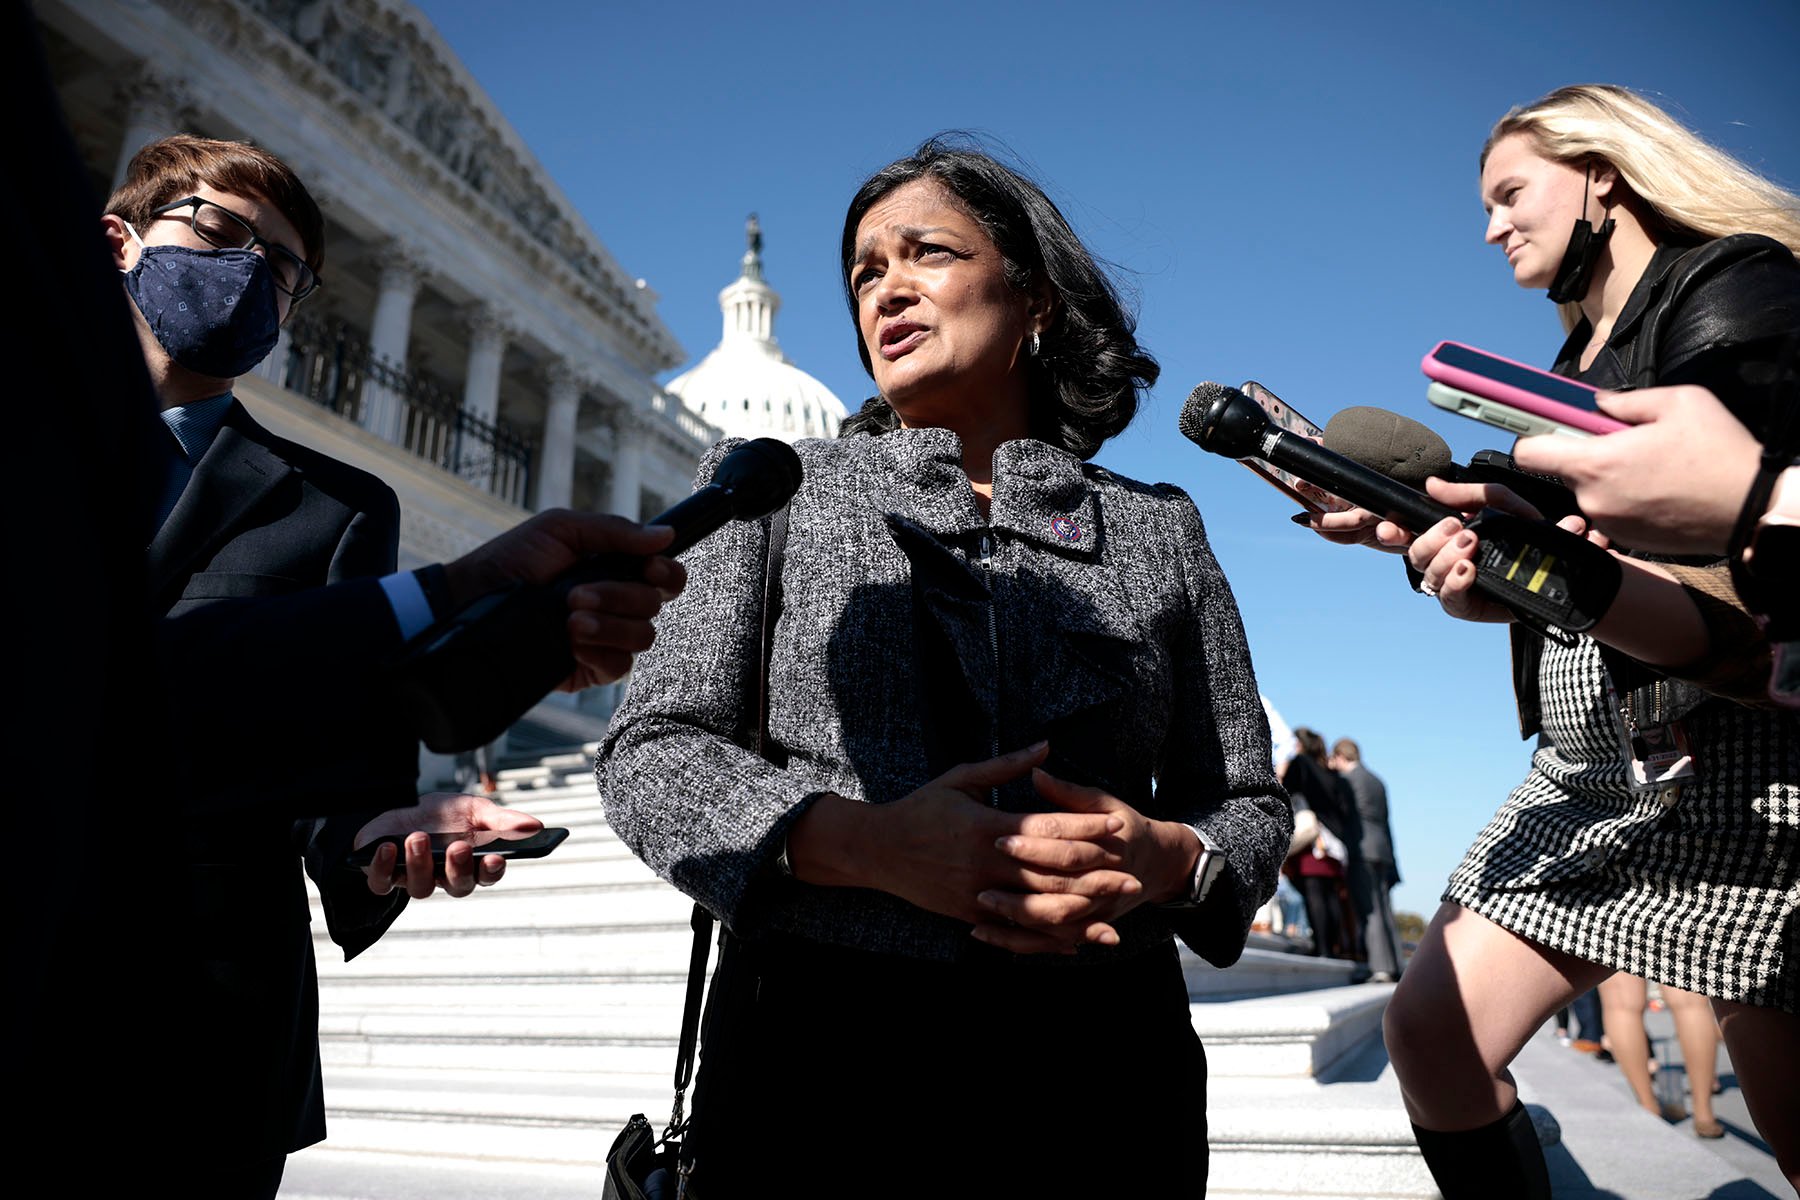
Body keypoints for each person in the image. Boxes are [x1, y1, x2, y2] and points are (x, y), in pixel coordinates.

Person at [599, 138, 1292, 1197]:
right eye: (866, 271)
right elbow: (653, 751)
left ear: (1036, 300)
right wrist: (865, 844)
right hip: (821, 1053)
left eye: (925, 252)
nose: (887, 289)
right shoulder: (776, 491)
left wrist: (1167, 858)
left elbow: (1243, 797)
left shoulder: (1162, 532)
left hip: (1105, 1066)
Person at [1309, 84, 1800, 1196]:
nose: (1491, 229)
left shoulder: (1732, 292)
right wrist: (1452, 559)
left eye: (1509, 195)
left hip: (1732, 754)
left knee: (1791, 1113)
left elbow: (1738, 573)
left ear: (1603, 173)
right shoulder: (1566, 375)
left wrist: (1551, 555)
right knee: (1430, 1034)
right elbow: (1554, 590)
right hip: (1593, 768)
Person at [1281, 728, 1361, 960]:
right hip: (1334, 842)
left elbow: (1287, 791)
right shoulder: (1330, 770)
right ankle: (1333, 947)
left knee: (1314, 891)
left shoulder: (1300, 763)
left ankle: (1322, 947)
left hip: (1313, 838)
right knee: (1330, 894)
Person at [1331, 737, 1404, 982]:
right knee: (1384, 910)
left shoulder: (1347, 781)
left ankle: (1380, 968)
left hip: (1360, 851)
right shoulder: (1377, 781)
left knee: (1369, 911)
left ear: (1340, 756)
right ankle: (1395, 965)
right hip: (1382, 851)